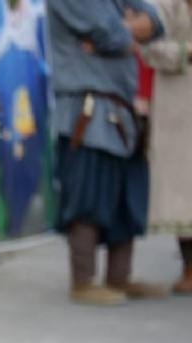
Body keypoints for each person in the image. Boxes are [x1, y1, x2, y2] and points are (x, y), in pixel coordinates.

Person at [49, 0, 165, 303]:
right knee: (88, 193)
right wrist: (129, 32)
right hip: (86, 109)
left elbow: (157, 24)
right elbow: (109, 35)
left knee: (127, 196)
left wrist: (127, 32)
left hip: (123, 107)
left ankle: (119, 279)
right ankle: (83, 282)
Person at [142, 0, 192, 293]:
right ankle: (189, 268)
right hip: (179, 109)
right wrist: (187, 51)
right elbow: (149, 49)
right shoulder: (163, 5)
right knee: (182, 191)